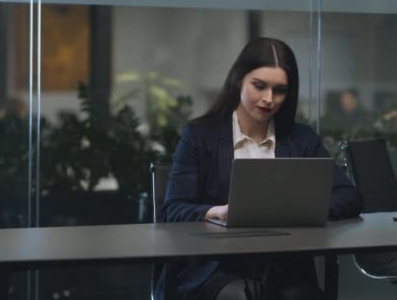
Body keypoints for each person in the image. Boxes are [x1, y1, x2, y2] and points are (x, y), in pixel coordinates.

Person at [155, 37, 363, 300]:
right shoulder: (199, 135)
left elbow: (350, 196)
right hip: (214, 268)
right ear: (239, 79)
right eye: (259, 86)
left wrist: (305, 209)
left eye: (279, 90)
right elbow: (173, 209)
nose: (268, 99)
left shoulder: (301, 139)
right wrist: (215, 212)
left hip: (284, 267)